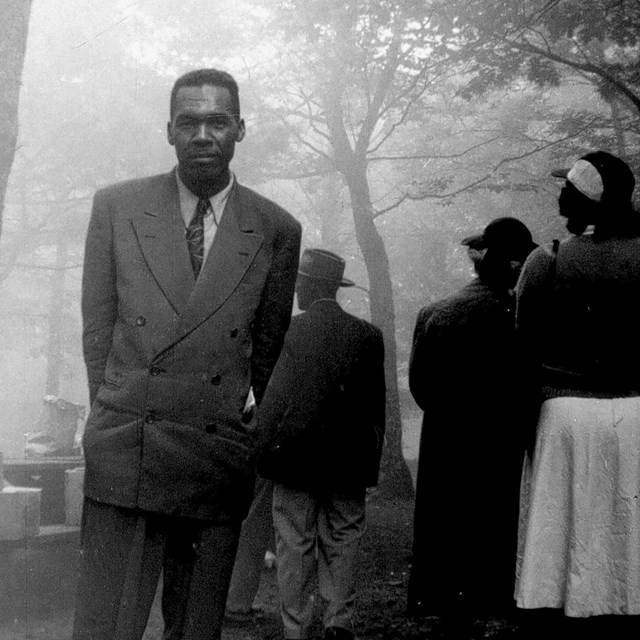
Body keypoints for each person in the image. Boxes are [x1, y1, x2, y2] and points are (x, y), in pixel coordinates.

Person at [73, 68, 302, 640]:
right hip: (129, 447)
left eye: (218, 121)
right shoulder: (117, 207)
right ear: (169, 131)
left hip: (215, 456)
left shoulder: (276, 227)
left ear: (240, 130)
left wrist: (245, 436)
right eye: (188, 122)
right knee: (107, 627)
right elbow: (96, 330)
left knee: (196, 629)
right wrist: (114, 412)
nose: (203, 134)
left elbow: (267, 353)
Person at [514, 151, 640, 638]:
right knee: (624, 516)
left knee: (568, 521)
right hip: (634, 410)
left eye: (567, 189)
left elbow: (523, 344)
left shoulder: (547, 260)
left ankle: (567, 601)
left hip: (566, 409)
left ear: (587, 199)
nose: (560, 196)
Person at [407, 217, 538, 635]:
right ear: (511, 265)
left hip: (444, 438)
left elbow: (419, 384)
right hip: (499, 442)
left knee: (446, 521)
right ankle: (491, 602)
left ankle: (447, 604)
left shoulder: (433, 312)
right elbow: (529, 382)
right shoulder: (519, 315)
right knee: (493, 520)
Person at [254, 248, 386, 640]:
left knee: (294, 542)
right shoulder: (367, 335)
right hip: (348, 460)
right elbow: (374, 408)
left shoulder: (289, 332)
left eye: (299, 282)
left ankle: (296, 627)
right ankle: (338, 622)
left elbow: (273, 399)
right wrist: (369, 458)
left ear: (309, 286)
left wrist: (263, 450)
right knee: (344, 536)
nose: (295, 288)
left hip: (293, 458)